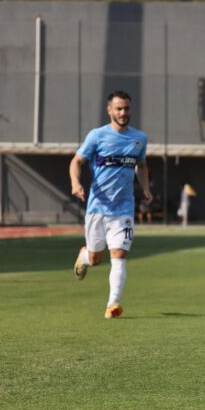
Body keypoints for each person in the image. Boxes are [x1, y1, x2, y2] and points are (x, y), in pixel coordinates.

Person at [69, 91, 151, 319]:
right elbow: (76, 161)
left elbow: (142, 165)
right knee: (96, 259)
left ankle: (112, 304)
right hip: (97, 208)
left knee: (119, 254)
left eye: (127, 108)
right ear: (110, 110)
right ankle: (84, 256)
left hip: (123, 209)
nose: (123, 113)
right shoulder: (97, 136)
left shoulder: (139, 139)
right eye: (119, 109)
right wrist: (75, 183)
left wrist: (145, 188)